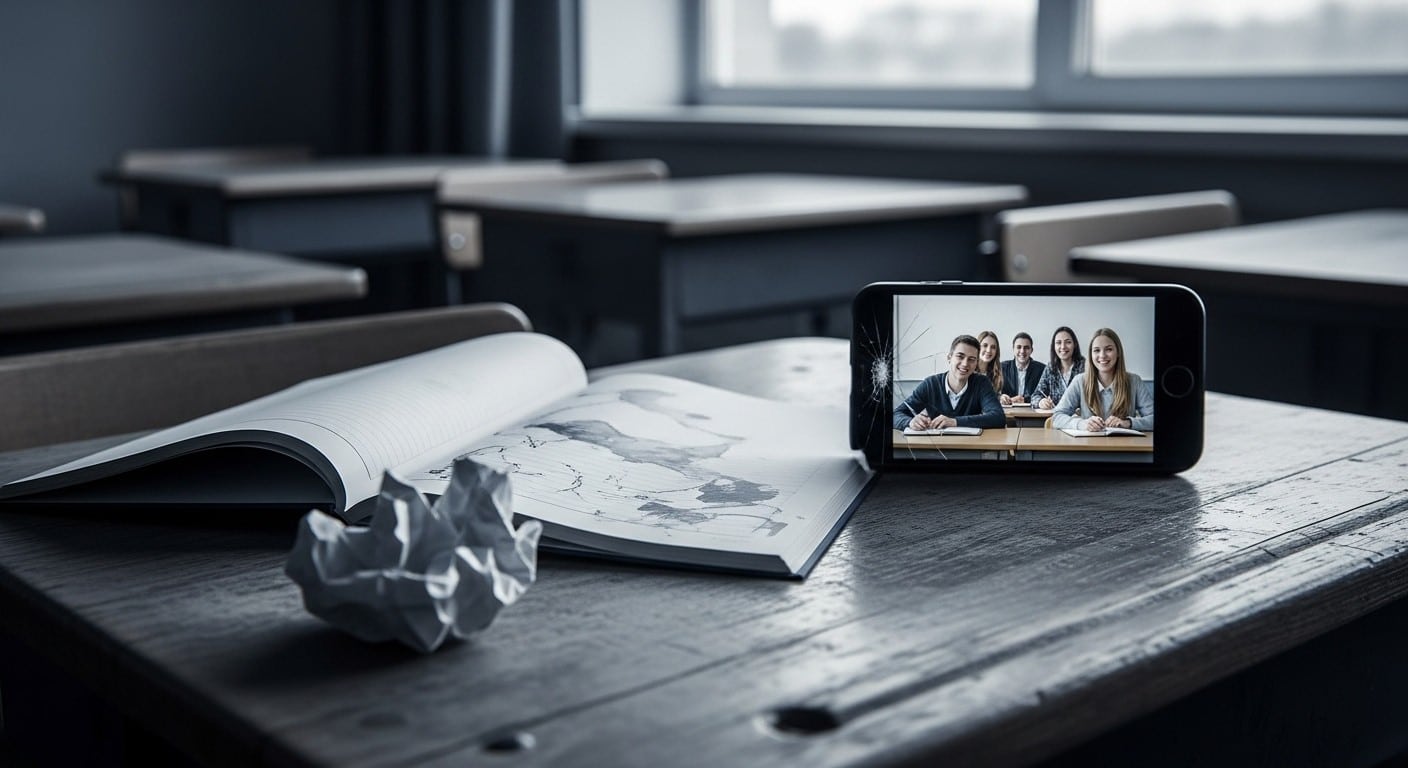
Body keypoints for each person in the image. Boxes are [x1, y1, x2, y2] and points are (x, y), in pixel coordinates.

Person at [893, 334, 1006, 430]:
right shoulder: (930, 384)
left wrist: (955, 422)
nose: (965, 364)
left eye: (971, 359)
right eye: (960, 356)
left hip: (970, 449)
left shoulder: (981, 383)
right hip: (934, 449)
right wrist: (910, 422)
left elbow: (998, 417)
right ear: (949, 358)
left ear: (976, 363)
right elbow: (896, 414)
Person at [1052, 327, 1154, 431]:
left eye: (1109, 349)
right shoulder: (1080, 381)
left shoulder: (1134, 381)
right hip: (1089, 445)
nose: (1102, 355)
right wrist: (1082, 424)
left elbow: (1155, 419)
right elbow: (1057, 417)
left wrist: (1129, 423)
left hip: (1123, 446)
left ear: (1118, 352)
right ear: (1091, 355)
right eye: (1096, 350)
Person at [1032, 326, 1085, 410]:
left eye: (1068, 342)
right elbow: (1036, 395)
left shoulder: (1085, 366)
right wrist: (1041, 401)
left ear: (1075, 344)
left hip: (1080, 418)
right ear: (1054, 346)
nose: (1063, 347)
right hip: (1057, 418)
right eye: (1058, 343)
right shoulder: (1051, 367)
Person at [1000, 332, 1046, 405]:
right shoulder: (1002, 368)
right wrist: (1001, 397)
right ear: (1013, 349)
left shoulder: (1042, 369)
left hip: (1033, 413)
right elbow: (994, 392)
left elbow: (1044, 395)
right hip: (1008, 413)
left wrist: (1025, 400)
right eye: (1019, 347)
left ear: (1031, 350)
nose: (1022, 351)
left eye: (1026, 347)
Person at [975, 330, 1005, 398]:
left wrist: (1000, 397)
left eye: (993, 347)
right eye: (985, 345)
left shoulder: (996, 373)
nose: (989, 350)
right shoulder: (969, 370)